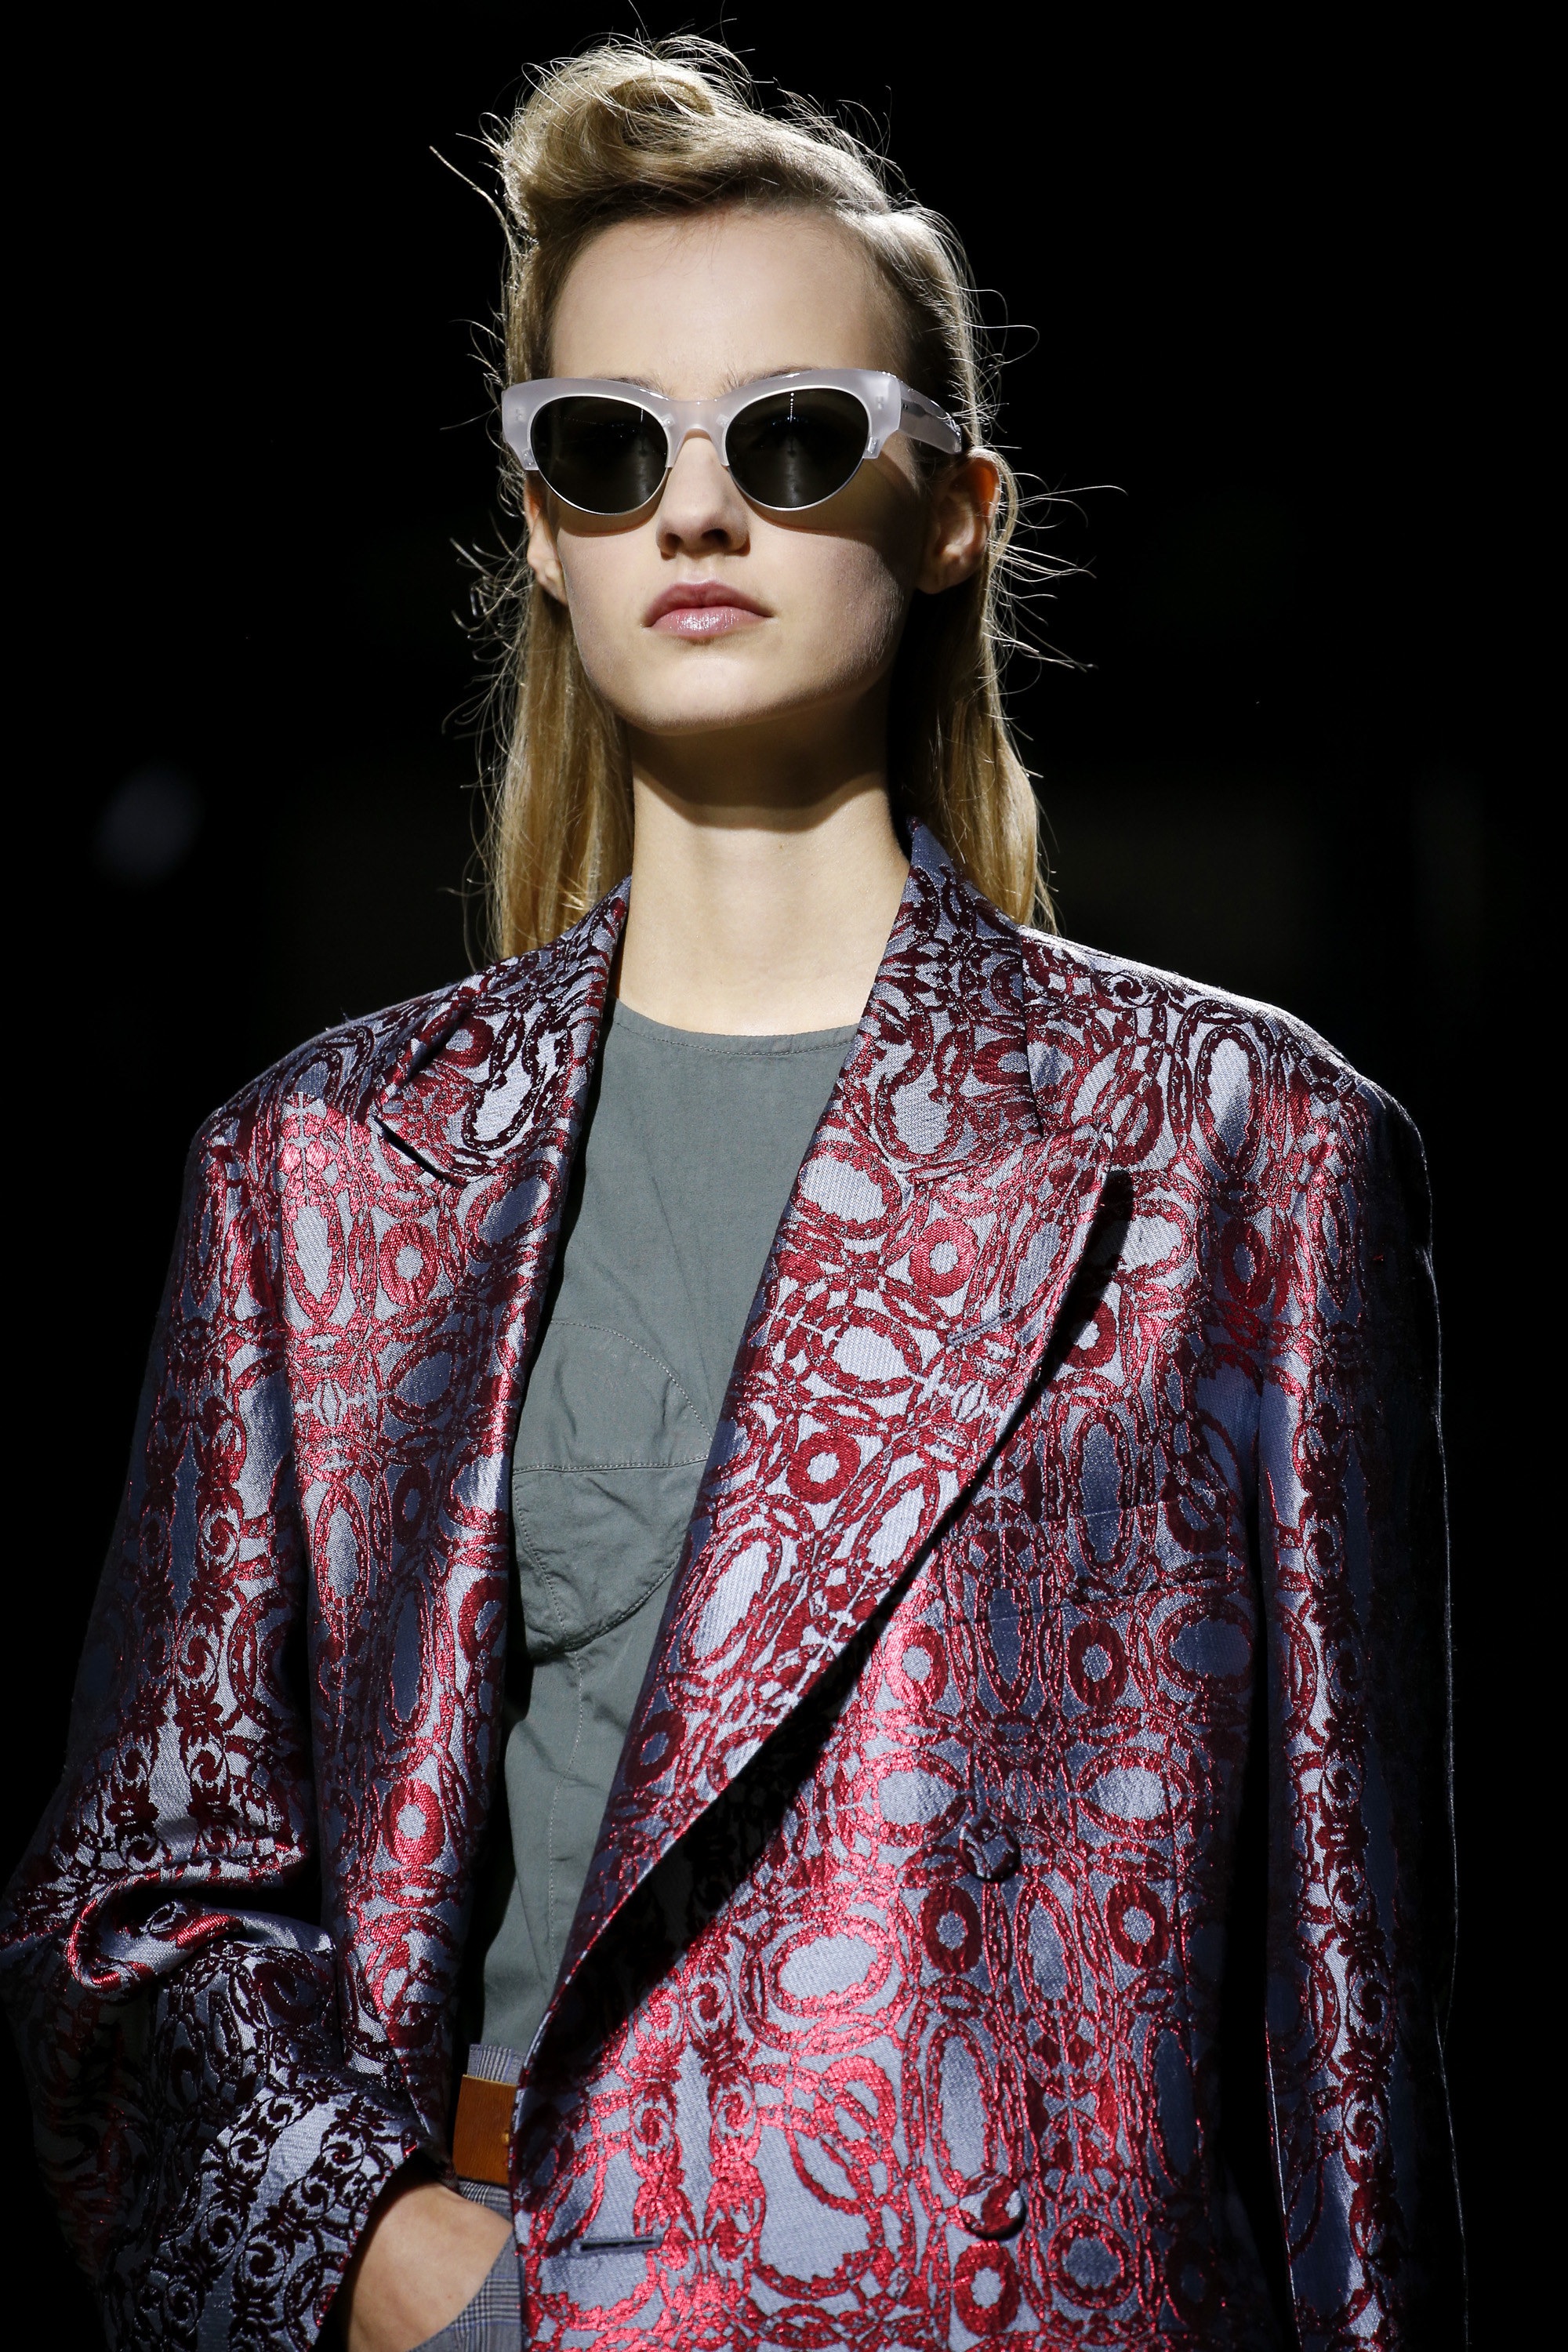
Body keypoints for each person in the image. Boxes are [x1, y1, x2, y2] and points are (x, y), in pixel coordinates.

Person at [0, 39, 1461, 2352]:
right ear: (543, 531)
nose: (694, 513)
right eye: (608, 447)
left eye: (789, 439)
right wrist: (395, 2270)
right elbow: (138, 1900)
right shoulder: (324, 1172)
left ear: (955, 508)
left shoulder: (1238, 1149)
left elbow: (1349, 2022)